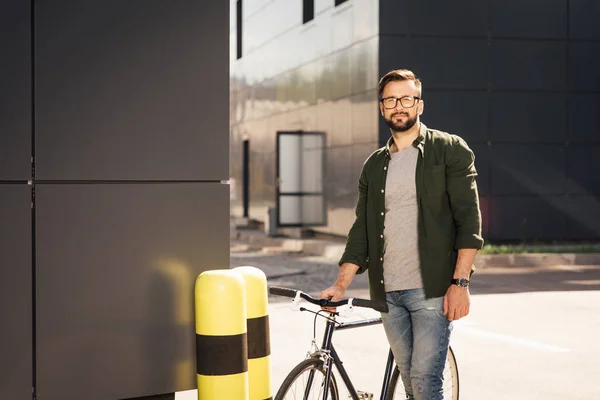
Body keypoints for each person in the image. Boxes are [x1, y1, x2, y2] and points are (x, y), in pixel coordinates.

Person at [320, 69, 484, 400]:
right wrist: (340, 285)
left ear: (419, 105)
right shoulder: (374, 165)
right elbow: (361, 231)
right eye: (391, 100)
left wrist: (460, 283)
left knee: (424, 381)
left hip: (433, 290)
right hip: (387, 293)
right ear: (382, 108)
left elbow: (469, 221)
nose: (400, 106)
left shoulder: (449, 149)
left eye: (407, 99)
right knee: (410, 381)